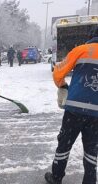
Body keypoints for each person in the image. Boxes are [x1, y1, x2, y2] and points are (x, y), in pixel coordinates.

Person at [45, 27, 98, 184]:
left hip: (74, 110)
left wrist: (62, 86)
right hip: (96, 114)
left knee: (64, 144)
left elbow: (58, 72)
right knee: (91, 149)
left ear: (91, 36)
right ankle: (89, 181)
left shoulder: (81, 50)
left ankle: (56, 177)